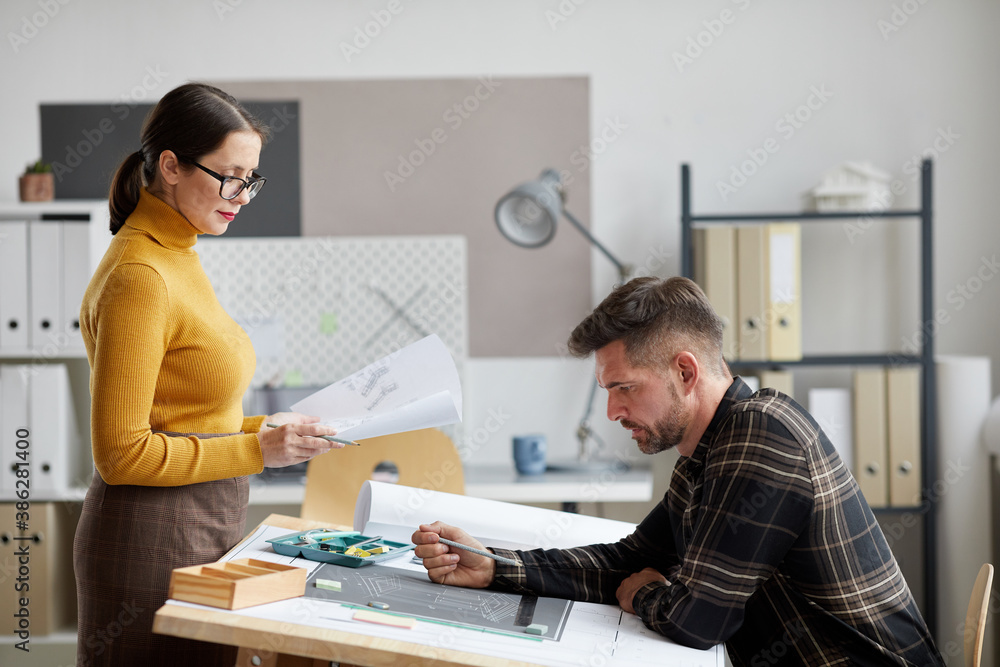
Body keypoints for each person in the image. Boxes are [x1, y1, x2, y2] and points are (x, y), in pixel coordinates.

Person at [413, 276, 945, 666]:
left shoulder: (761, 436)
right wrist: (493, 566)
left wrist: (644, 592)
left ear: (684, 372)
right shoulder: (707, 451)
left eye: (624, 388)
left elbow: (697, 621)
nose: (612, 413)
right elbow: (633, 559)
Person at [74, 82, 342, 666]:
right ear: (170, 165)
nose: (243, 195)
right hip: (151, 539)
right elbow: (121, 453)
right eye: (230, 176)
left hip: (197, 524)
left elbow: (184, 415)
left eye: (251, 179)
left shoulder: (179, 254)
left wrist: (264, 428)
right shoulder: (142, 273)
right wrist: (257, 450)